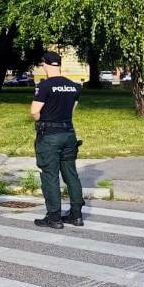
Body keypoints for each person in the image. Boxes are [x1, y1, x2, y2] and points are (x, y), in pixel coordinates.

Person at [31, 51, 84, 228]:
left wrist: (42, 119)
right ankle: (76, 215)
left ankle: (54, 217)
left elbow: (34, 112)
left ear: (45, 65)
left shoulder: (45, 86)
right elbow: (72, 110)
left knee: (50, 175)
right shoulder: (75, 86)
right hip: (69, 134)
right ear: (59, 65)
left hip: (50, 137)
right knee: (71, 174)